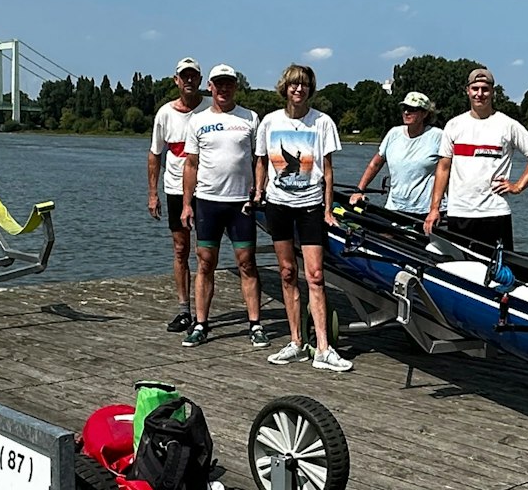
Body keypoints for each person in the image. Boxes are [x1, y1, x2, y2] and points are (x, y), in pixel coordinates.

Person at [256, 63, 351, 372]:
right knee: (286, 272)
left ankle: (323, 348)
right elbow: (261, 162)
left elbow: (328, 170)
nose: (299, 90)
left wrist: (327, 210)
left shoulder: (322, 123)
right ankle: (296, 342)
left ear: (311, 89)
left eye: (305, 85)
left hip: (310, 205)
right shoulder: (269, 122)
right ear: (285, 88)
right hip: (278, 203)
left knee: (315, 276)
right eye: (294, 85)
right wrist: (258, 192)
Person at [179, 64, 268, 349]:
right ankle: (201, 324)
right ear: (210, 86)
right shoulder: (197, 120)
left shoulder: (250, 118)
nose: (224, 88)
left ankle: (255, 324)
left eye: (229, 83)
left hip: (241, 203)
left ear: (235, 87)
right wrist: (186, 204)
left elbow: (259, 159)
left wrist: (259, 191)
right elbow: (190, 164)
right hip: (207, 202)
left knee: (247, 263)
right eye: (219, 83)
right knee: (205, 262)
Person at [425, 66, 528, 251]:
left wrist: (518, 186)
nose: (479, 94)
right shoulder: (454, 125)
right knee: (460, 271)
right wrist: (434, 208)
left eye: (485, 89)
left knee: (500, 273)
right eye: (475, 89)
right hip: (459, 213)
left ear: (492, 92)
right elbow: (443, 168)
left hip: (495, 213)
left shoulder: (508, 125)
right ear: (467, 91)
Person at [148, 57, 205, 332]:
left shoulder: (211, 109)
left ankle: (203, 314)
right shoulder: (165, 114)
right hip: (173, 189)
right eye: (185, 76)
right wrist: (152, 194)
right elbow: (155, 155)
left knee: (204, 252)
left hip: (207, 190)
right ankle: (184, 311)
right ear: (177, 81)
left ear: (201, 80)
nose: (189, 80)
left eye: (194, 76)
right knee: (181, 249)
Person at [350, 90, 442, 221]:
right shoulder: (394, 134)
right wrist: (359, 190)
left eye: (412, 109)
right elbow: (375, 164)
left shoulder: (438, 136)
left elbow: (450, 169)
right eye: (404, 108)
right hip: (394, 208)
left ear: (425, 114)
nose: (406, 112)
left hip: (424, 211)